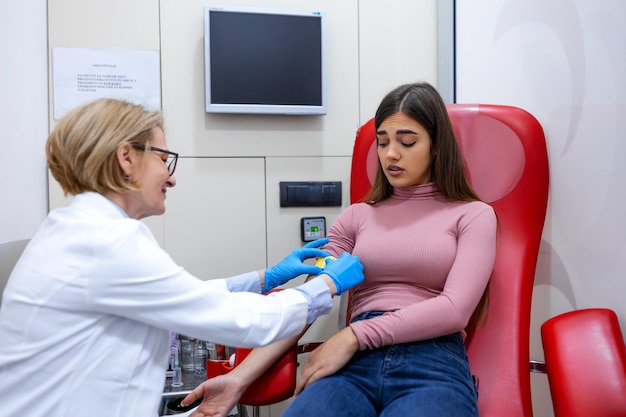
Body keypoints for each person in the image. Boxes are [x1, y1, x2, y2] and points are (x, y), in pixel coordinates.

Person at [0, 98, 364, 417]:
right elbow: (239, 321)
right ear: (126, 157)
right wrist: (325, 285)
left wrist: (266, 277)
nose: (171, 179)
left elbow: (177, 297)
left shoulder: (75, 230)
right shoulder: (107, 240)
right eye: (164, 158)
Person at [183, 82, 497, 417]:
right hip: (353, 366)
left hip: (431, 362)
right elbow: (308, 305)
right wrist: (238, 380)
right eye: (382, 142)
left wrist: (353, 337)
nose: (391, 154)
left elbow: (454, 309)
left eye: (407, 142)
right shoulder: (357, 216)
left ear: (436, 146)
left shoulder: (473, 215)